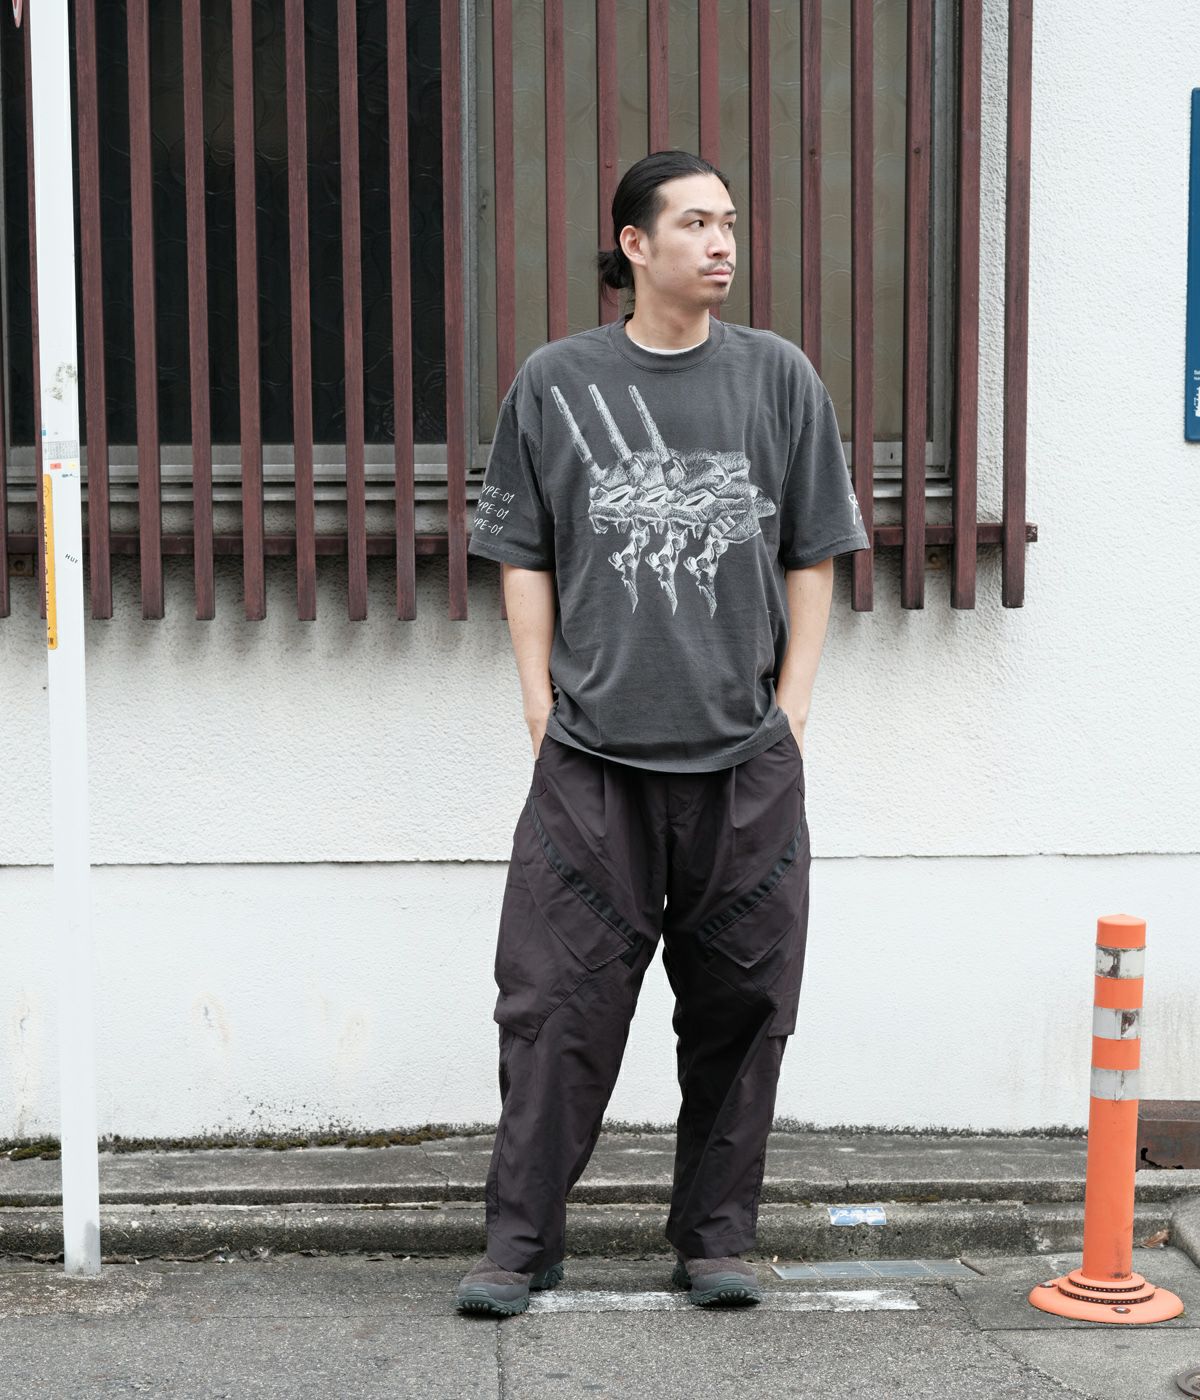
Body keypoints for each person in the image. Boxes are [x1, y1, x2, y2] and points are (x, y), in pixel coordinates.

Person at [456, 149, 870, 1318]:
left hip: (743, 765)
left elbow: (813, 554)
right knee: (553, 1008)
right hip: (592, 766)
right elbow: (523, 553)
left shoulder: (777, 378)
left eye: (728, 221)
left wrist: (791, 711)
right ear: (634, 245)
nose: (721, 241)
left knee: (744, 1011)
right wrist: (538, 703)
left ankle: (715, 1236)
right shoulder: (555, 382)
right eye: (694, 223)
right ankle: (521, 1244)